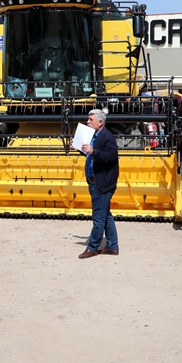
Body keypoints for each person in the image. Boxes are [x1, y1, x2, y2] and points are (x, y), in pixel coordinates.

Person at [78, 109, 119, 258]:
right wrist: (81, 149)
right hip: (94, 182)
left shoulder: (107, 137)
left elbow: (111, 156)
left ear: (100, 122)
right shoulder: (94, 136)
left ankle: (93, 247)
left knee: (98, 218)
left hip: (102, 183)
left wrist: (93, 151)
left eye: (91, 120)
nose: (88, 122)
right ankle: (112, 246)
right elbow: (92, 153)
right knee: (106, 215)